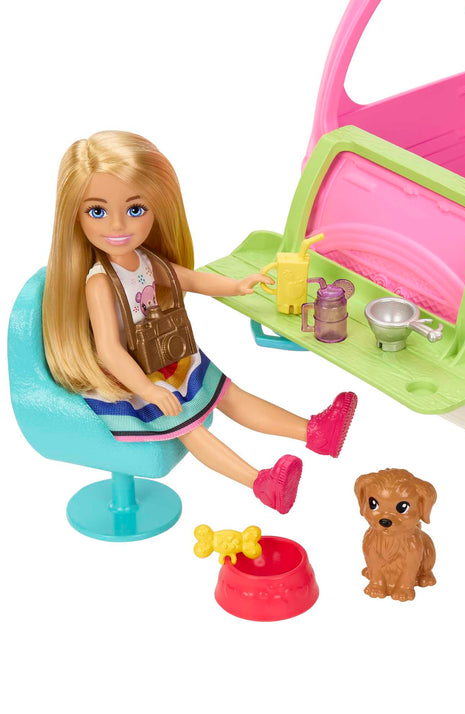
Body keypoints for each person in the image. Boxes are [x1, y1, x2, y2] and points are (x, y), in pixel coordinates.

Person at [42, 131, 356, 514]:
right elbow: (109, 349)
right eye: (97, 212)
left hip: (162, 354)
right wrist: (147, 389)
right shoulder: (100, 282)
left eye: (135, 209)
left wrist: (236, 286)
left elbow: (188, 279)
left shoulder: (145, 260)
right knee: (190, 427)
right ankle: (261, 484)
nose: (117, 225)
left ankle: (315, 433)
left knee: (229, 394)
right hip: (130, 377)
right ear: (75, 216)